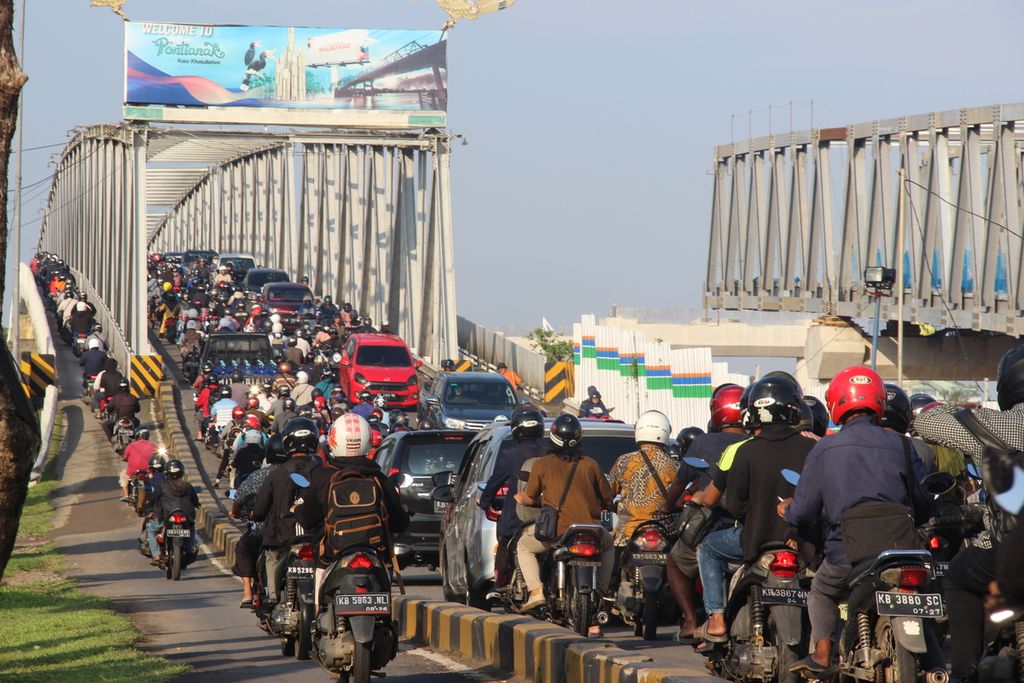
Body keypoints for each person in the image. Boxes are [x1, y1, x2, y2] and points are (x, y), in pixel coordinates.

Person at [779, 366, 933, 677]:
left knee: (821, 590)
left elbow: (805, 511)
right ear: (879, 402)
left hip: (847, 551)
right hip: (903, 547)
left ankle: (822, 653)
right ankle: (937, 664)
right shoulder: (903, 444)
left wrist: (788, 511)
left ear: (836, 404)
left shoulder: (825, 448)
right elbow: (923, 503)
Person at [913, 344, 1024, 683]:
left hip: (1009, 549)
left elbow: (927, 421)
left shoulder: (993, 426)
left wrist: (963, 409)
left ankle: (964, 672)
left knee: (958, 576)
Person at [695, 378, 815, 644]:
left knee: (708, 548)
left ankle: (716, 618)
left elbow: (737, 506)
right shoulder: (813, 448)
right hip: (804, 543)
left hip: (756, 538)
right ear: (793, 409)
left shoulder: (745, 451)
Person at [658, 382, 747, 642]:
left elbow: (679, 483)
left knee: (675, 561)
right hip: (748, 528)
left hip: (712, 526)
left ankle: (691, 620)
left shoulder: (704, 443)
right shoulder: (754, 442)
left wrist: (666, 506)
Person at [514, 414, 614, 637]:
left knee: (524, 546)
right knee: (609, 545)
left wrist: (522, 499)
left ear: (553, 438)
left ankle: (536, 591)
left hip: (557, 533)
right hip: (590, 532)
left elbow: (530, 498)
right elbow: (607, 498)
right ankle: (601, 590)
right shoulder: (591, 465)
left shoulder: (541, 465)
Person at [296, 413, 409, 609]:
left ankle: (316, 620)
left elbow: (307, 519)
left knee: (319, 585)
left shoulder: (322, 477)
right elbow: (400, 522)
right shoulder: (378, 478)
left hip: (333, 554)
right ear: (367, 441)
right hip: (375, 553)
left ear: (334, 441)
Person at [250, 418, 322, 603]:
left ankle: (273, 596)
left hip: (281, 536)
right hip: (316, 535)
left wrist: (255, 515)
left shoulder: (277, 473)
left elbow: (259, 510)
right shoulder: (323, 472)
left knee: (271, 558)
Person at [480, 406, 546, 594]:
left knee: (504, 542)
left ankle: (499, 582)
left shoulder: (509, 455)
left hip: (516, 517)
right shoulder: (549, 455)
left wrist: (485, 502)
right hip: (545, 517)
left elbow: (493, 483)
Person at [230, 434, 287, 607]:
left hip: (265, 530)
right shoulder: (298, 473)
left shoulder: (260, 476)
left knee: (243, 547)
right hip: (295, 530)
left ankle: (247, 591)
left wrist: (235, 513)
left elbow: (239, 497)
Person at [609, 410, 679, 550]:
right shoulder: (674, 465)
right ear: (666, 431)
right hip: (663, 535)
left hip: (628, 535)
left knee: (613, 569)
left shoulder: (624, 462)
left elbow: (609, 492)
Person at [147, 459, 200, 567]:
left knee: (151, 530)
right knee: (191, 528)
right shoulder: (187, 485)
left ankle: (156, 555)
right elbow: (195, 500)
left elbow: (152, 498)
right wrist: (196, 504)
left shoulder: (163, 486)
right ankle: (191, 548)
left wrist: (149, 508)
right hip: (186, 516)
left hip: (166, 516)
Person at [119, 428, 158, 501]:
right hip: (149, 471)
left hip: (133, 472)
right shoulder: (153, 445)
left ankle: (126, 495)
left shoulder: (131, 445)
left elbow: (124, 457)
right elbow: (158, 457)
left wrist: (125, 459)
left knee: (123, 475)